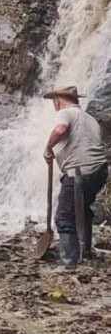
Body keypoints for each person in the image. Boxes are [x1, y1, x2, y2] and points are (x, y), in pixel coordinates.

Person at [42, 85, 108, 270]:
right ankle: (85, 250)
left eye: (54, 102)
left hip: (79, 172)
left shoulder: (65, 113)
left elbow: (61, 129)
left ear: (58, 100)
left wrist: (48, 147)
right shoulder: (89, 118)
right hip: (99, 172)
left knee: (64, 216)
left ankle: (69, 264)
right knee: (83, 209)